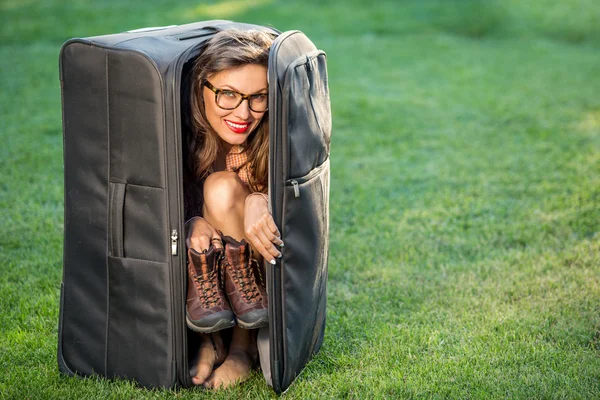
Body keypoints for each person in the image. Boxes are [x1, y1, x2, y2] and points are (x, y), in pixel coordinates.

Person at [182, 29, 282, 390]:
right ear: (202, 90)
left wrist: (260, 197)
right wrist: (193, 221)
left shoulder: (275, 134)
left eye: (258, 97)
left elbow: (287, 200)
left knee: (223, 187)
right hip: (203, 271)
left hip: (258, 266)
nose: (244, 112)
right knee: (214, 190)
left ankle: (243, 347)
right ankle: (209, 339)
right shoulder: (179, 134)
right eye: (228, 95)